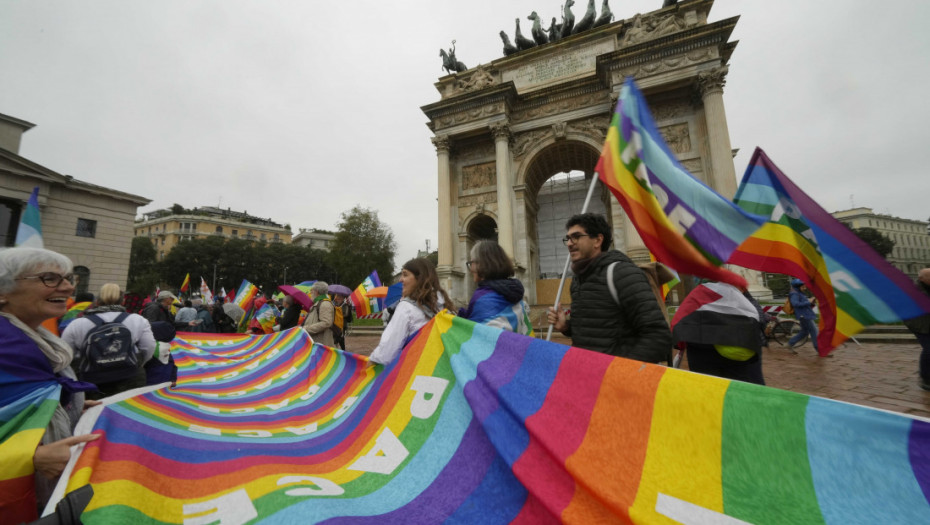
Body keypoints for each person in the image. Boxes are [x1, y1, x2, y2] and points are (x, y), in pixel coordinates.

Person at [0, 247, 100, 521]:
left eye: (68, 278)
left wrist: (66, 406)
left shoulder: (42, 343)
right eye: (49, 278)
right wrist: (29, 457)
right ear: (2, 293)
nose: (68, 287)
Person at [546, 213, 672, 362]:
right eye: (567, 238)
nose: (569, 243)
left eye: (576, 236)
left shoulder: (623, 274)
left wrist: (617, 371)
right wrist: (566, 327)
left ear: (598, 240)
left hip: (616, 379)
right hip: (588, 374)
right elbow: (596, 330)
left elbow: (658, 336)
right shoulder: (578, 280)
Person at [61, 283, 157, 398]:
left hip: (91, 379)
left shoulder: (78, 323)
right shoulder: (138, 320)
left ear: (97, 302)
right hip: (129, 376)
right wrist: (138, 363)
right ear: (122, 302)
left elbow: (65, 353)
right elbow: (149, 347)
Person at [369, 258, 453, 366]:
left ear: (420, 278)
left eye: (405, 275)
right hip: (441, 368)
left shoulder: (406, 308)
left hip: (416, 369)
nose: (400, 280)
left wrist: (371, 362)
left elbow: (387, 352)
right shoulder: (445, 305)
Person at [459, 240, 533, 335]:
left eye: (471, 262)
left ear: (481, 265)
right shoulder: (515, 292)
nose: (471, 268)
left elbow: (474, 335)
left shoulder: (482, 298)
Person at [904, 268, 930, 390]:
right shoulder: (914, 290)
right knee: (929, 348)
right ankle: (925, 377)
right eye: (929, 276)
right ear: (921, 279)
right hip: (919, 324)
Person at [787, 278, 819, 353]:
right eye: (803, 286)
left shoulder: (799, 293)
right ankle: (819, 349)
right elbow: (795, 304)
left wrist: (811, 302)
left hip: (805, 314)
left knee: (804, 332)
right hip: (804, 315)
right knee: (814, 331)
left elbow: (804, 303)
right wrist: (808, 301)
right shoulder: (794, 294)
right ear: (798, 286)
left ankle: (790, 343)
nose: (805, 287)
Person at [302, 281, 335, 346]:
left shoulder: (325, 304)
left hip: (322, 344)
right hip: (317, 342)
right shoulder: (318, 303)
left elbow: (326, 323)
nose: (310, 292)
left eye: (312, 290)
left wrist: (306, 329)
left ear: (316, 292)